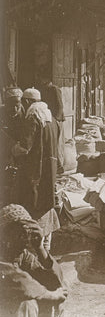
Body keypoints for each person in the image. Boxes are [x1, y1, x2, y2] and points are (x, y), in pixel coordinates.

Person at [0, 204, 67, 317]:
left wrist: (40, 248)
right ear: (4, 234)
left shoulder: (21, 254)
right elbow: (18, 280)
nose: (25, 238)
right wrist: (50, 295)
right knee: (26, 305)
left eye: (27, 233)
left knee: (54, 297)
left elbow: (55, 281)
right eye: (20, 233)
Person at [11, 89, 60, 251]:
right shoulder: (51, 118)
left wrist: (12, 149)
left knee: (34, 204)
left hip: (36, 171)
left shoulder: (33, 118)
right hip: (49, 170)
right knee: (46, 202)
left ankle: (37, 251)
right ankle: (46, 247)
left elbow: (25, 148)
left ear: (26, 102)